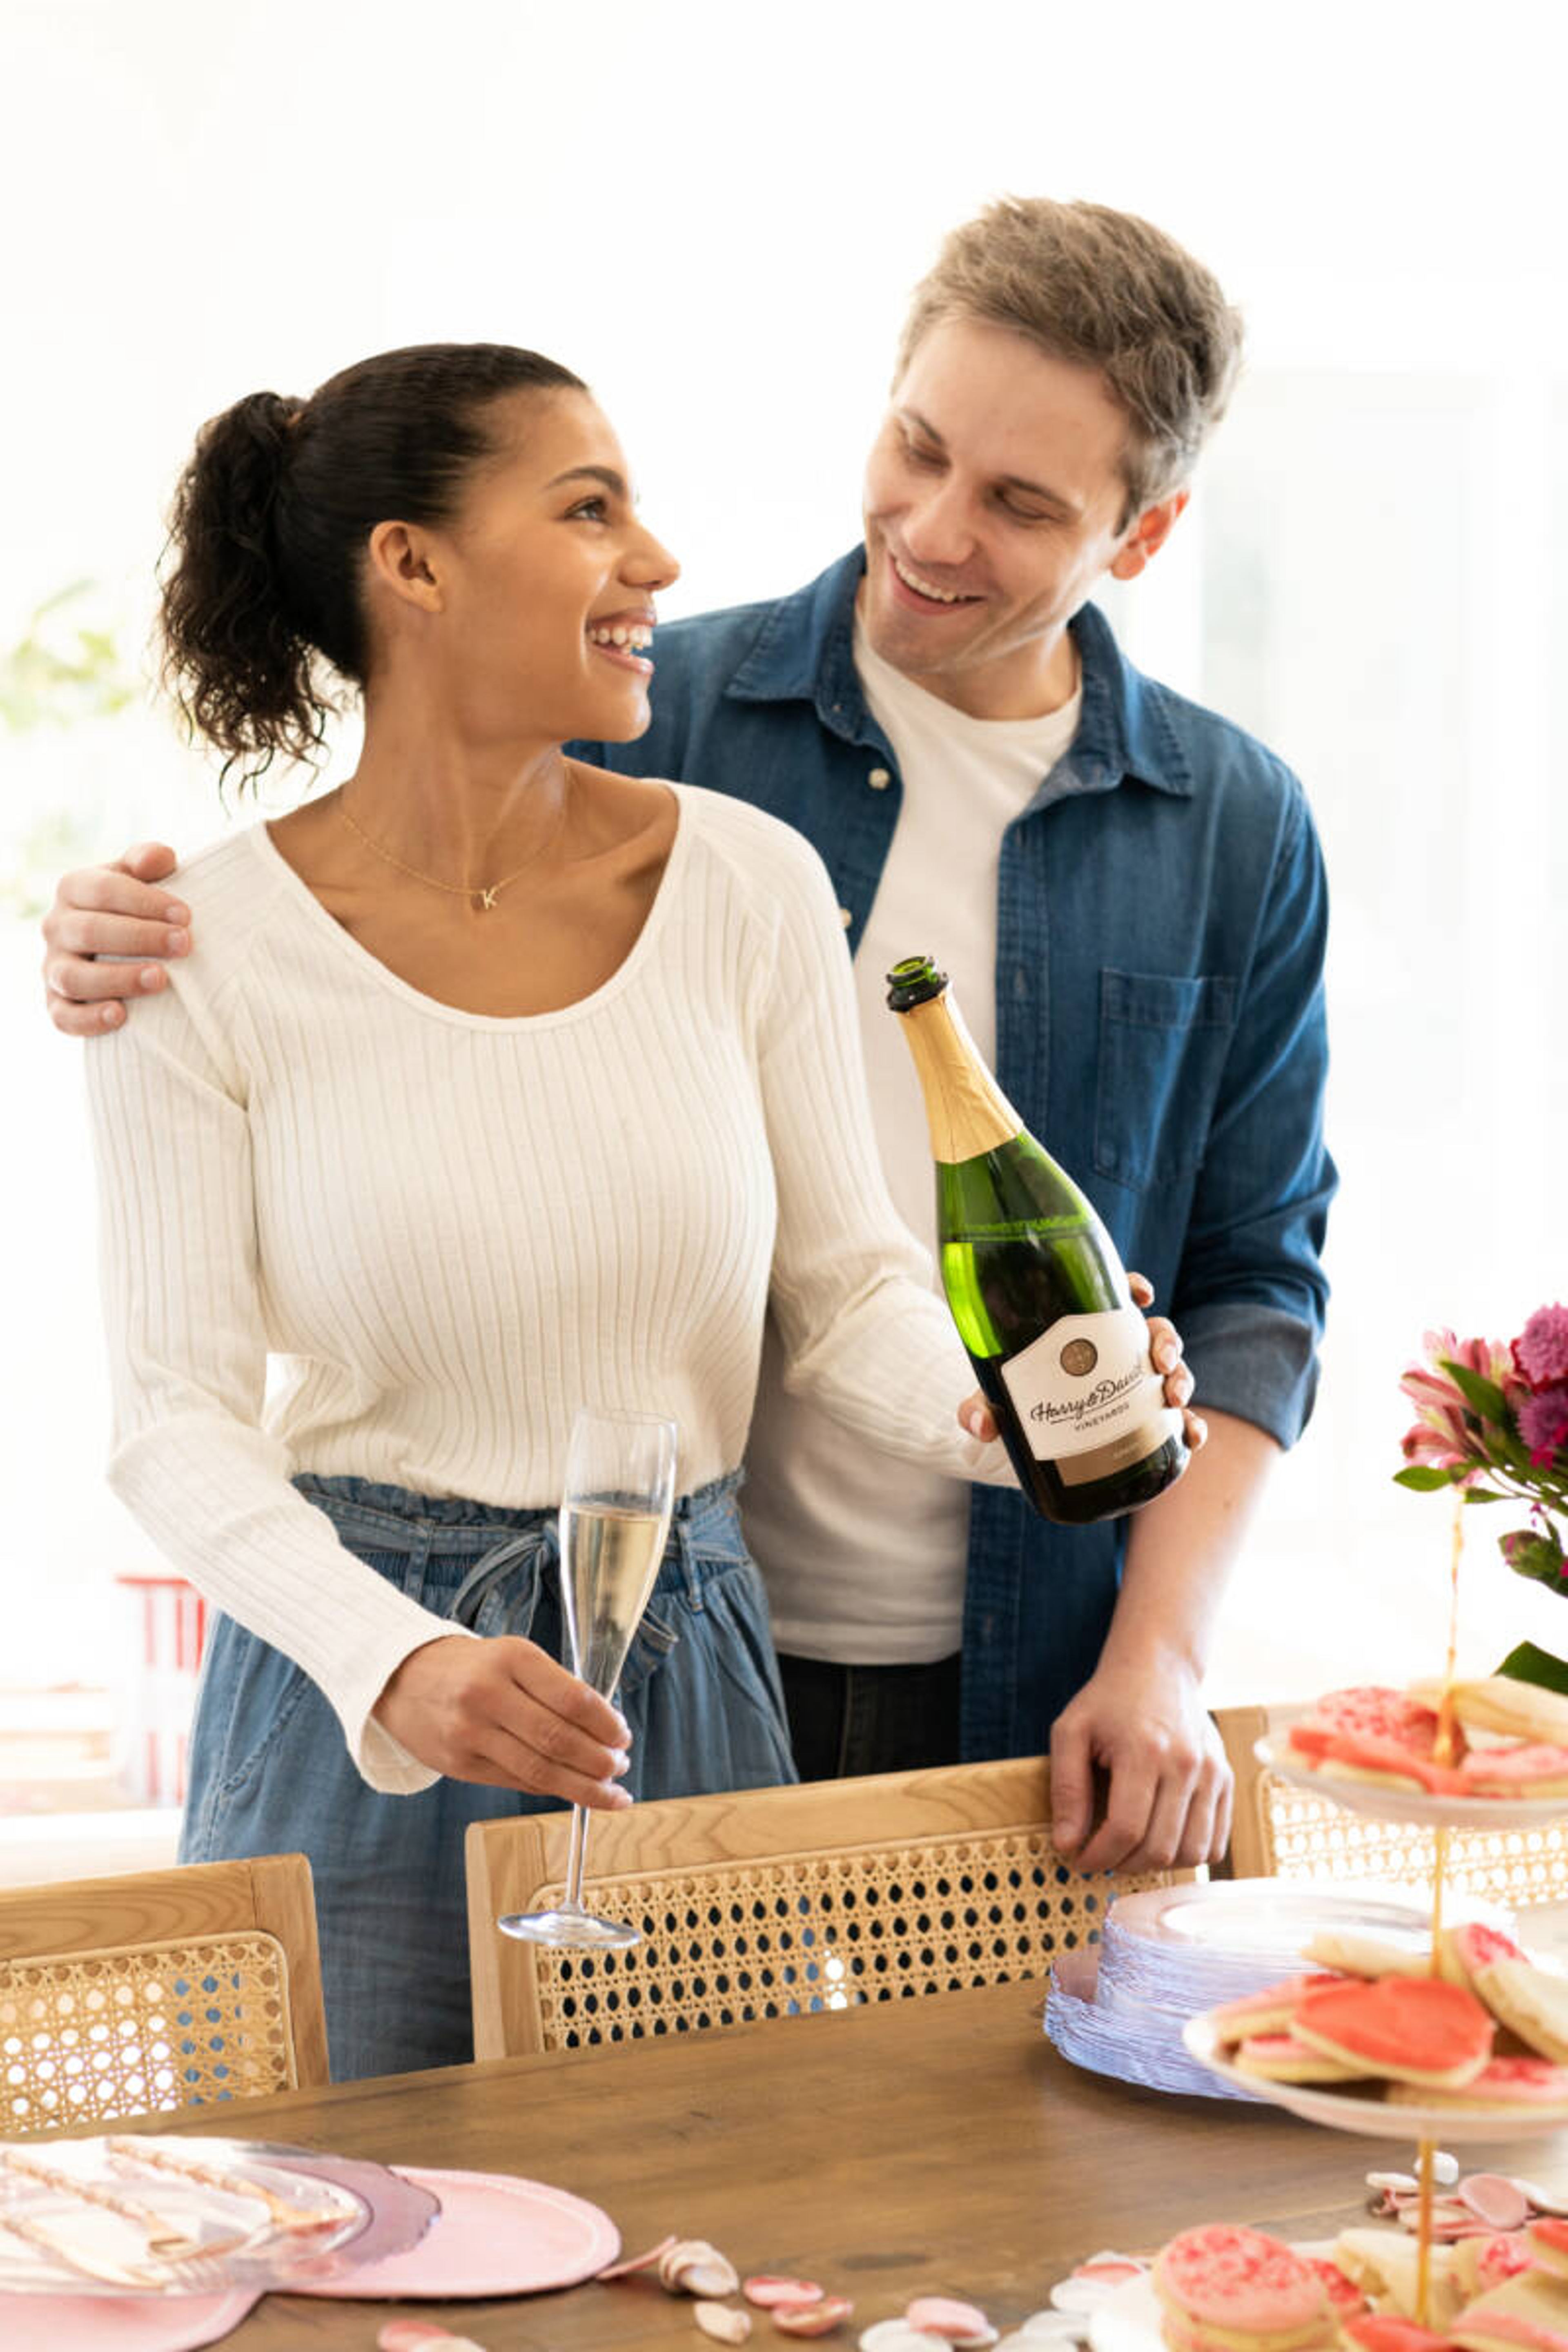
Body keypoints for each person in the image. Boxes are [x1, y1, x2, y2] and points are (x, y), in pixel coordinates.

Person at [47, 196, 1320, 1880]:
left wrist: (1030, 1446)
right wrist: (106, 944)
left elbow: (1184, 1279)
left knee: (810, 2145)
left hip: (947, 1649)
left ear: (1137, 537)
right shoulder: (666, 706)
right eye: (918, 447)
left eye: (1017, 501)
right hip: (471, 1661)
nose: (933, 526)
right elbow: (178, 1397)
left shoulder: (1212, 824)